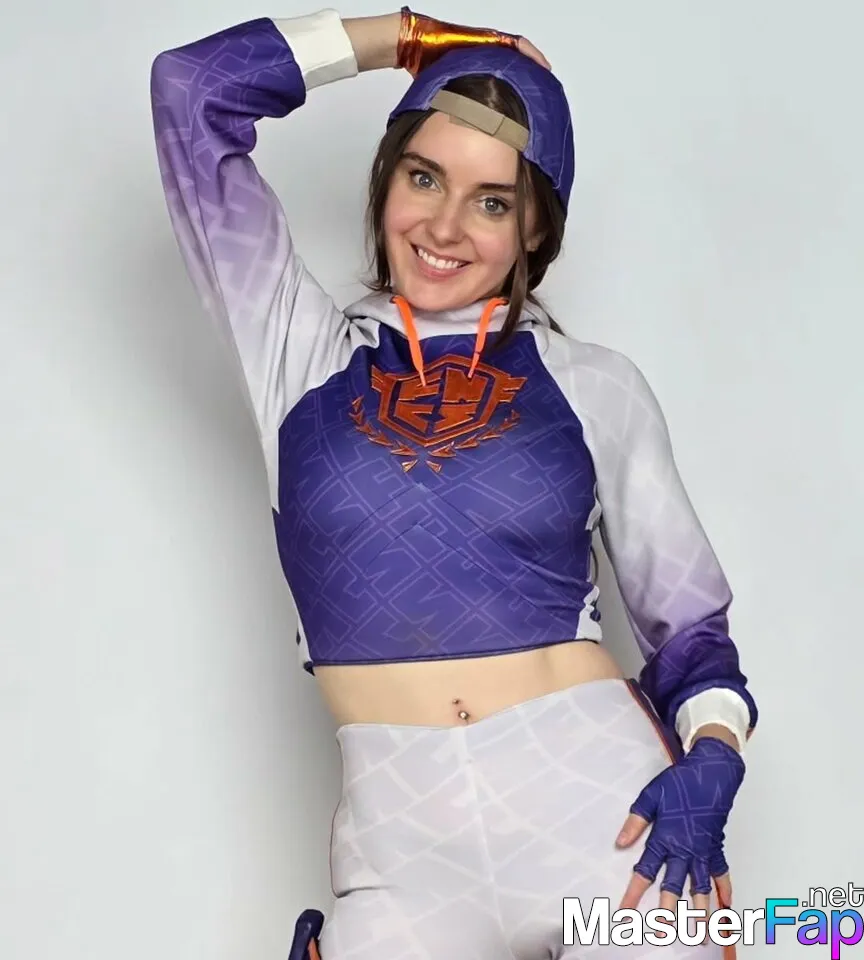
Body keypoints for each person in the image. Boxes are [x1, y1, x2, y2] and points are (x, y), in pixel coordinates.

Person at [150, 7, 757, 958]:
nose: (442, 226)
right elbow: (192, 91)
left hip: (602, 815)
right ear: (386, 178)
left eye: (491, 202)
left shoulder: (595, 386)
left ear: (535, 226)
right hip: (400, 851)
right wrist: (400, 39)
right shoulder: (297, 358)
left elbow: (690, 634)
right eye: (423, 177)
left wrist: (713, 756)